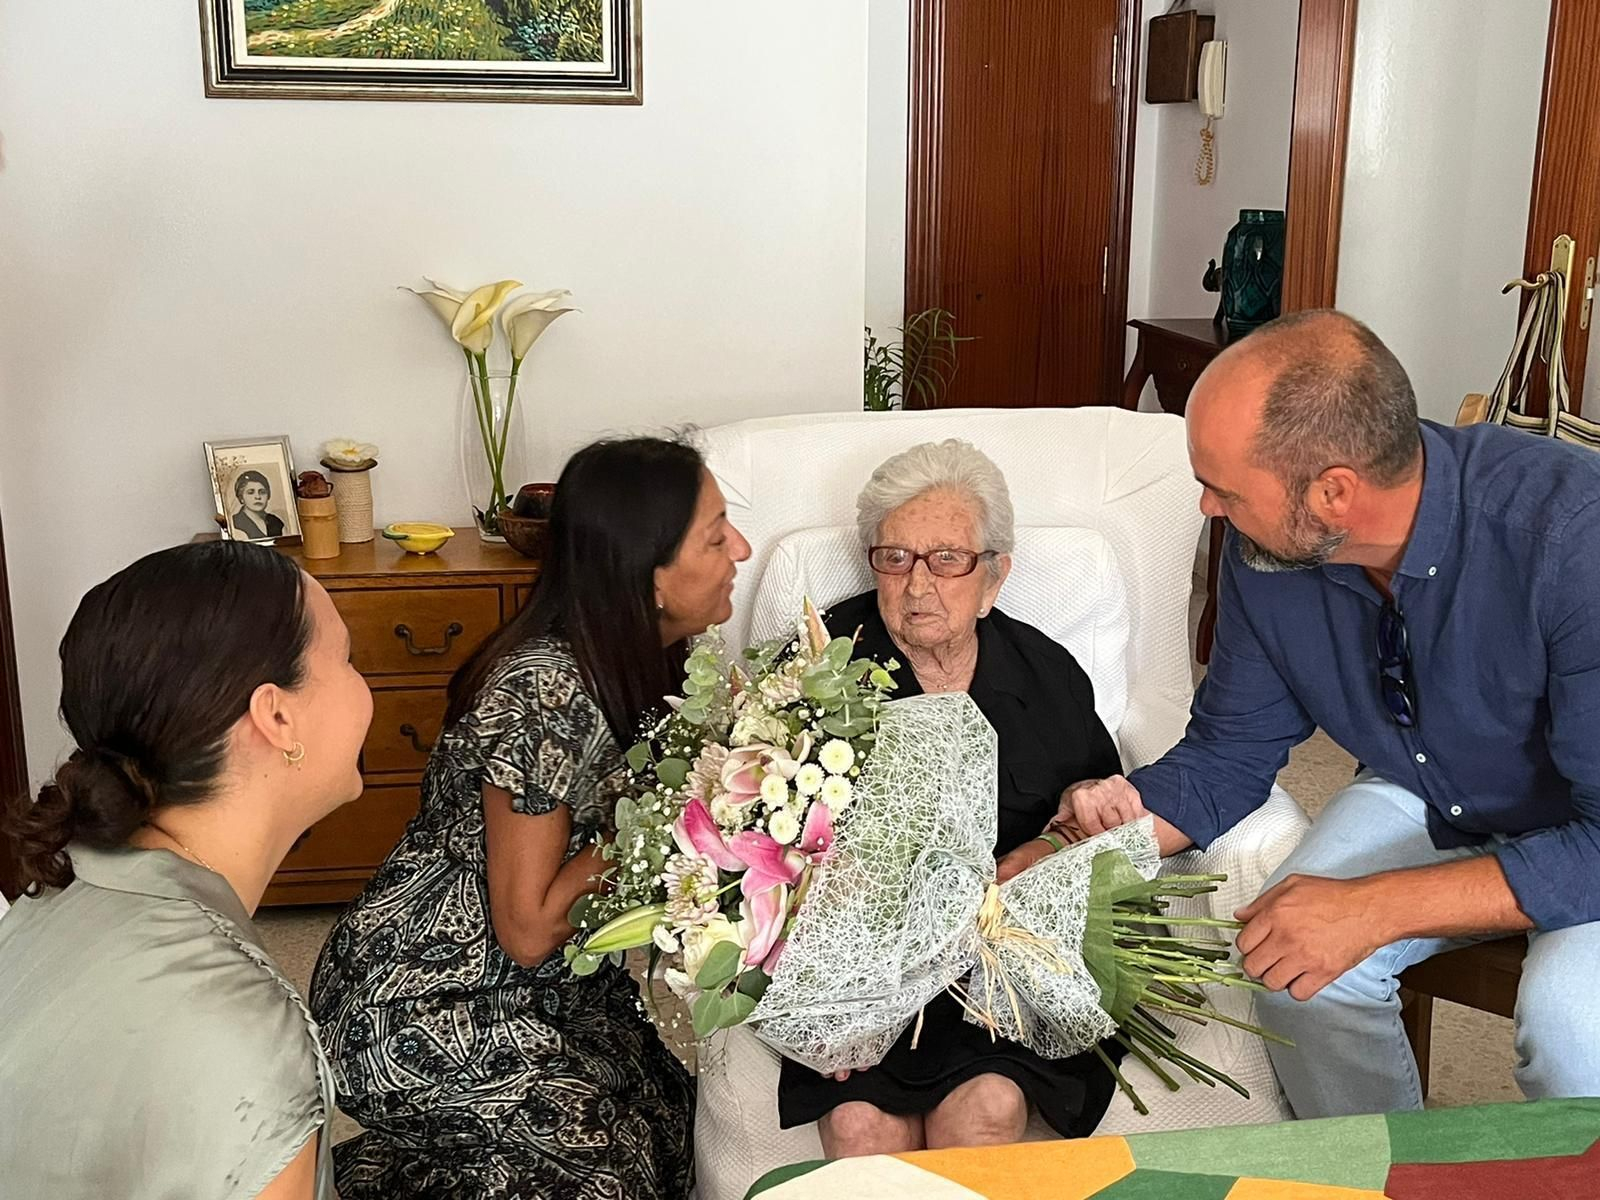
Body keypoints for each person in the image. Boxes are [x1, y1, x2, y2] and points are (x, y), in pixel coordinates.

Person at [1015, 309, 1600, 1118]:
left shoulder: (1573, 538)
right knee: (1291, 964)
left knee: (1573, 1027)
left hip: (1586, 827)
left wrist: (1373, 906)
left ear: (1334, 492)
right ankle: (1371, 1177)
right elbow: (1229, 752)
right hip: (1431, 785)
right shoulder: (1271, 549)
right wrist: (1077, 844)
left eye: (1223, 487)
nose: (1209, 510)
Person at [310, 436, 751, 1199]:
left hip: (552, 989)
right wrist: (680, 813)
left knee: (674, 1137)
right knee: (604, 1174)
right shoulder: (543, 693)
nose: (741, 548)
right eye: (716, 535)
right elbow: (528, 926)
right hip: (420, 999)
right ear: (646, 576)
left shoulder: (656, 659)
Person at [777, 439, 1124, 1158]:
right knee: (858, 1125)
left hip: (1000, 975)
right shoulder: (820, 664)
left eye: (947, 560)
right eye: (896, 558)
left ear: (994, 576)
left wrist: (1058, 834)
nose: (917, 585)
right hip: (863, 970)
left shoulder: (1045, 676)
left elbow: (1094, 829)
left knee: (988, 1108)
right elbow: (761, 841)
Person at [0, 540, 373, 1199]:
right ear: (277, 716)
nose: (361, 685)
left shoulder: (51, 898)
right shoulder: (244, 1034)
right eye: (346, 659)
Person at [233, 469, 286, 540]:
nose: (258, 497)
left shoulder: (275, 522)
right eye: (251, 492)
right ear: (241, 497)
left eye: (262, 492)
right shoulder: (235, 523)